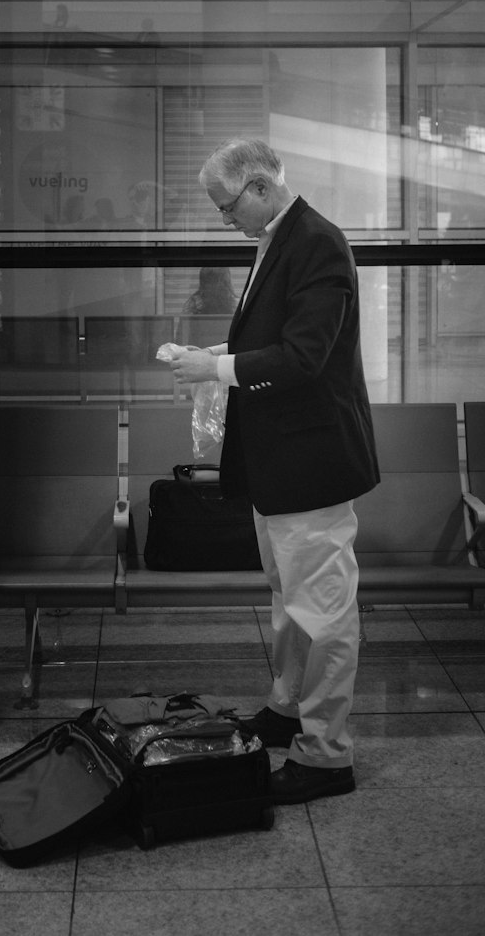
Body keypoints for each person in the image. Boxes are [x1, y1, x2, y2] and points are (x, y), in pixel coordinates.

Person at [169, 138, 379, 805]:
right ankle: (288, 712)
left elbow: (306, 356)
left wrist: (220, 369)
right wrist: (218, 355)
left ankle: (326, 756)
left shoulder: (318, 241)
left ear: (259, 187)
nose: (226, 219)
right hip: (280, 462)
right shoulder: (277, 242)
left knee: (323, 615)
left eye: (227, 206)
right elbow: (274, 339)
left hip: (311, 463)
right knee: (291, 606)